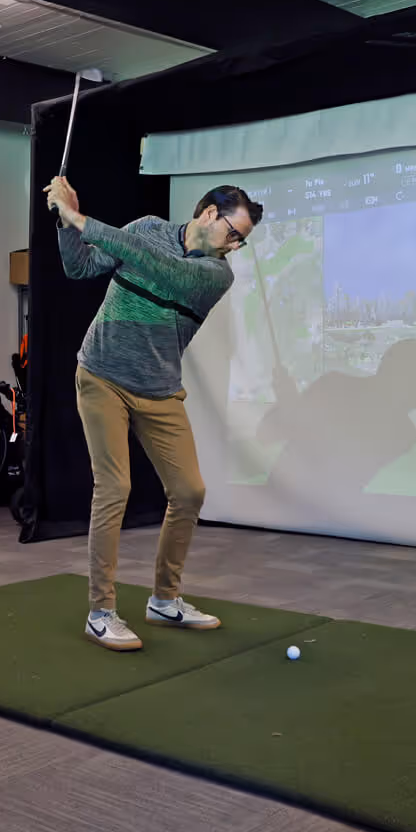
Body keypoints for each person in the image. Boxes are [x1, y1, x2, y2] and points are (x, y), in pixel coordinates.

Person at [46, 176, 260, 651]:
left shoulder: (215, 274)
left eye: (242, 239)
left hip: (159, 390)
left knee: (189, 491)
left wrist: (82, 219)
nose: (237, 245)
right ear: (208, 213)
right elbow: (79, 267)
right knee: (114, 486)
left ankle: (165, 599)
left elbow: (161, 269)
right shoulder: (146, 227)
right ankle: (101, 612)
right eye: (234, 232)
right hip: (101, 375)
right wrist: (66, 223)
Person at [257, 339, 416, 499]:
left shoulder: (404, 434)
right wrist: (288, 403)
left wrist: (292, 405)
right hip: (277, 512)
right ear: (399, 378)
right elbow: (265, 435)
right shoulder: (333, 386)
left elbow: (337, 476)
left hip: (323, 524)